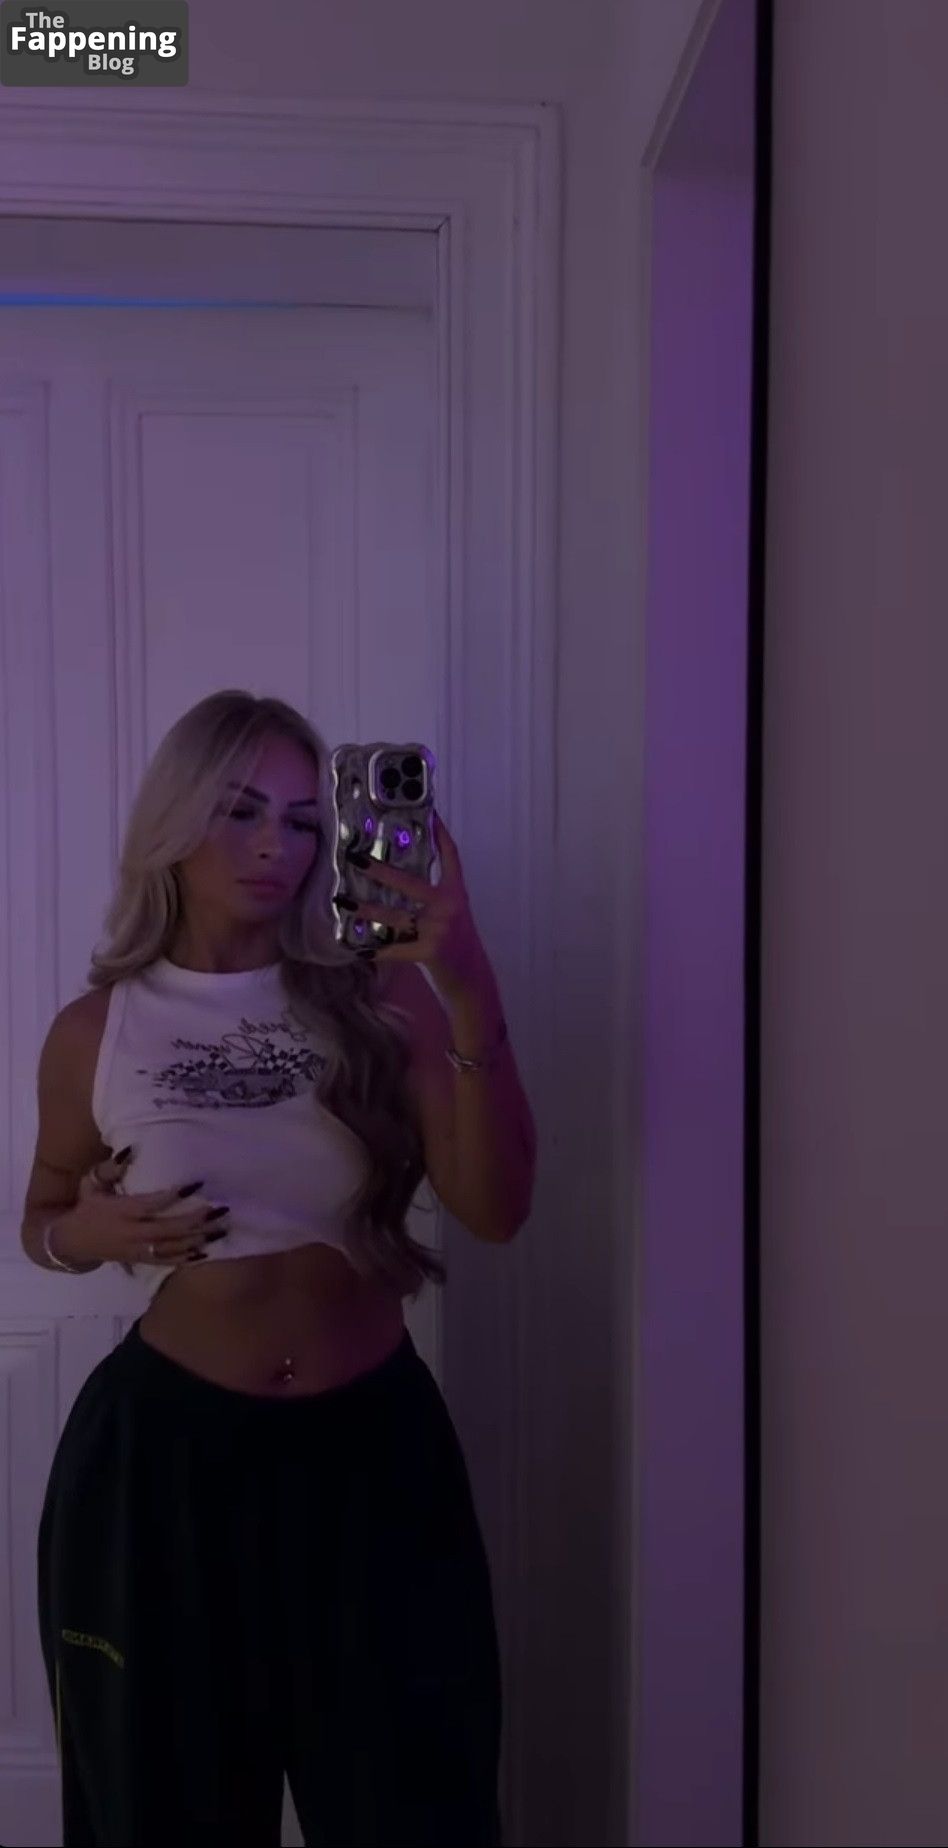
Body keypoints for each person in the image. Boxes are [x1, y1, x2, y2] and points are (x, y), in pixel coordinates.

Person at [21, 688, 537, 1848]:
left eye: (305, 821)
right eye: (242, 810)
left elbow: (498, 1209)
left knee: (418, 1808)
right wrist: (84, 1235)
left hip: (372, 1462)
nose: (276, 846)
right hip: (162, 1473)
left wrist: (465, 978)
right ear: (175, 822)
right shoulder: (96, 1030)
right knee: (163, 1815)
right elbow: (42, 1218)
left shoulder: (383, 1000)